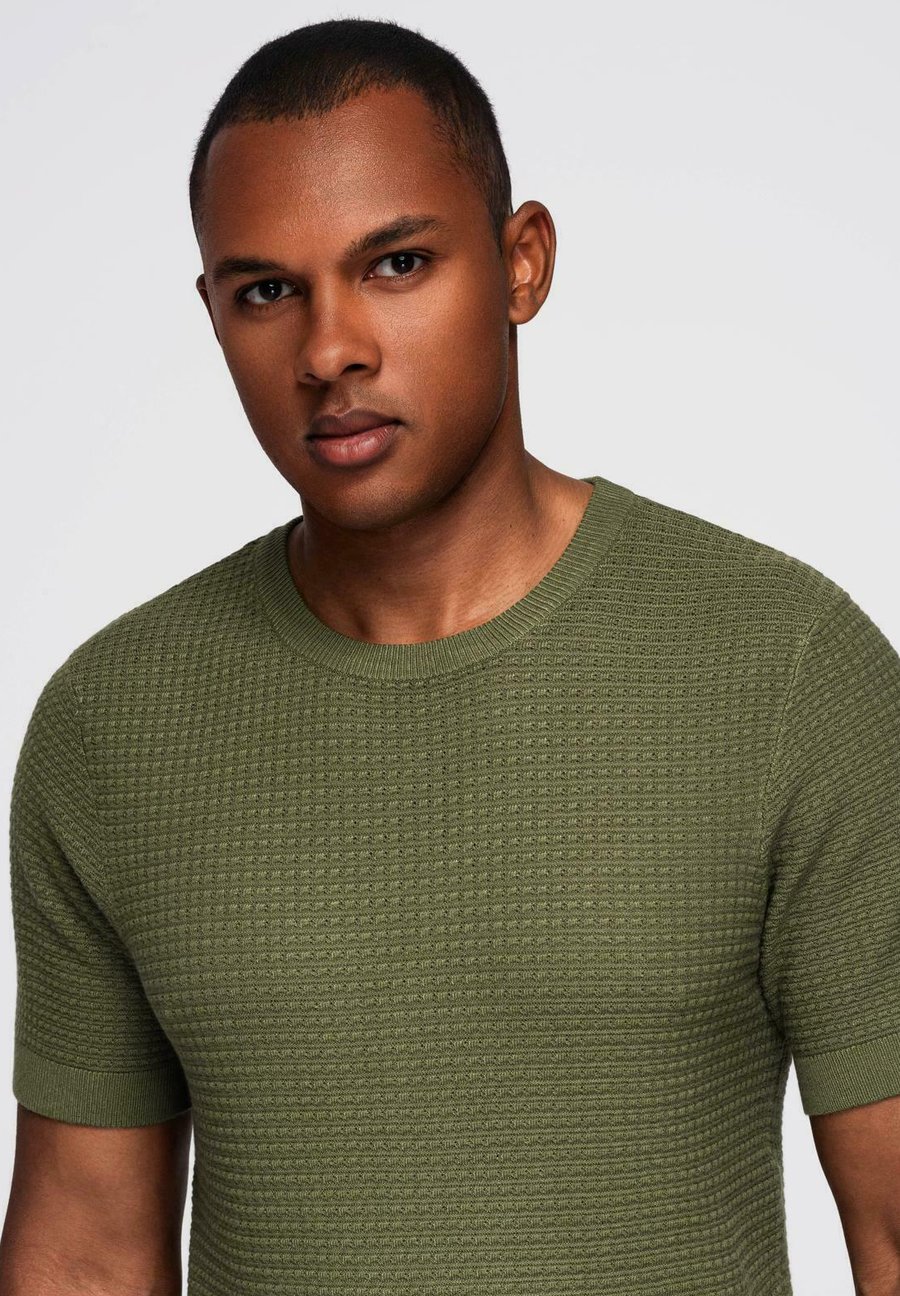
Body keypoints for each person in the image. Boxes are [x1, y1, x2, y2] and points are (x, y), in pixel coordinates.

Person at [2, 16, 898, 1296]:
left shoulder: (788, 669)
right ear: (212, 313)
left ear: (522, 264)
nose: (330, 351)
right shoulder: (115, 722)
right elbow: (85, 1257)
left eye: (398, 263)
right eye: (267, 291)